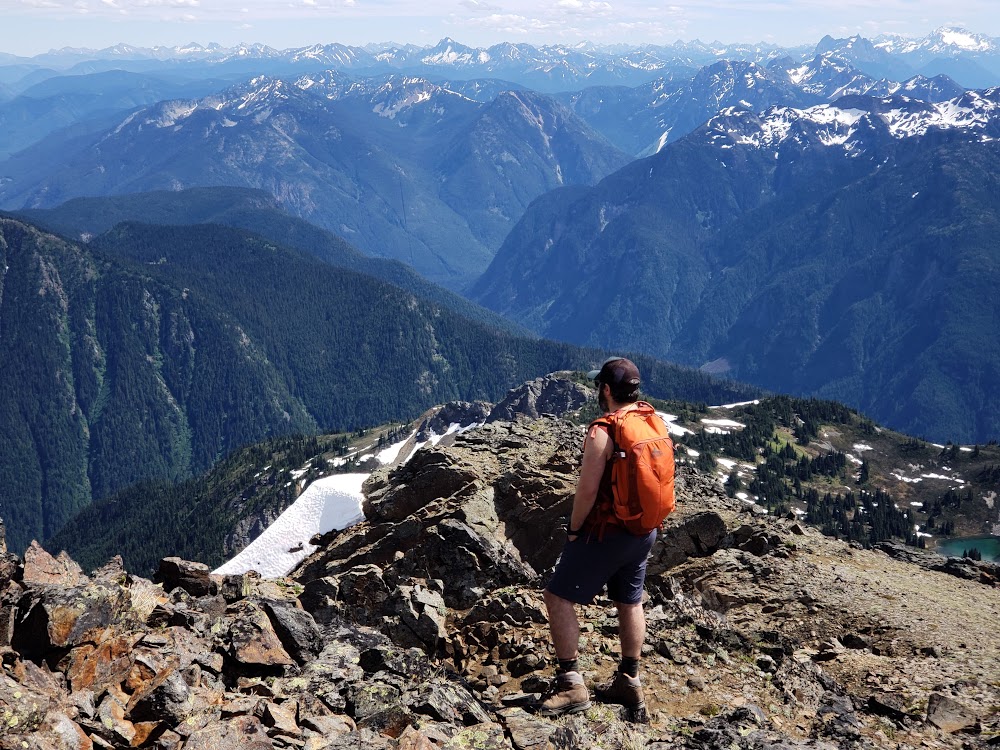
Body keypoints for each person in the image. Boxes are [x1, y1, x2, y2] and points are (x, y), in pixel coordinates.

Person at [539, 356, 657, 717]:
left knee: (557, 597)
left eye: (598, 385)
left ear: (606, 390)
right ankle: (629, 681)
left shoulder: (603, 431)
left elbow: (587, 491)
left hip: (609, 532)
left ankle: (571, 685)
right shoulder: (650, 421)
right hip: (644, 531)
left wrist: (575, 530)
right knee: (630, 601)